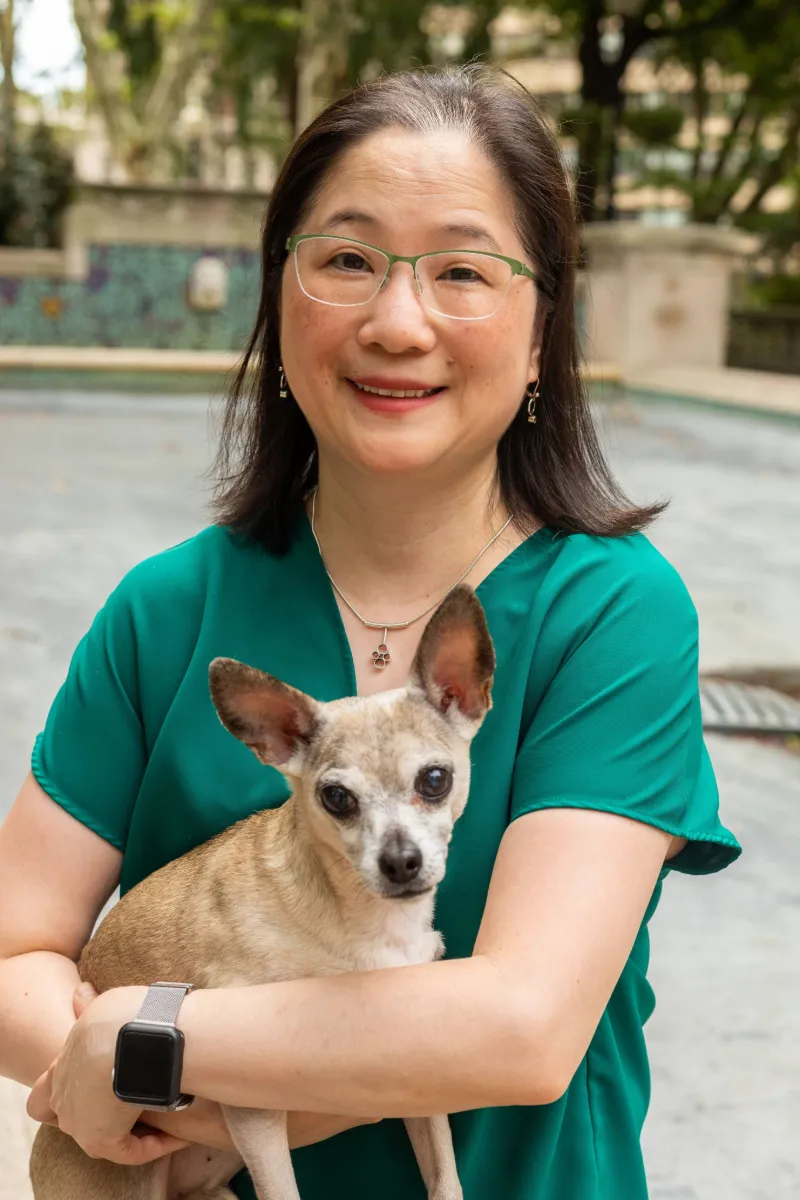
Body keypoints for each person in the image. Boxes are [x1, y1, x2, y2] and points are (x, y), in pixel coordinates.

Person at [0, 63, 740, 1200]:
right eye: (346, 260)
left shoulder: (610, 613)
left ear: (544, 332)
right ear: (278, 298)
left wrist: (143, 1046)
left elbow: (519, 1029)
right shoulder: (166, 612)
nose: (398, 322)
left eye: (461, 270)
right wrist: (89, 1076)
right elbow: (14, 951)